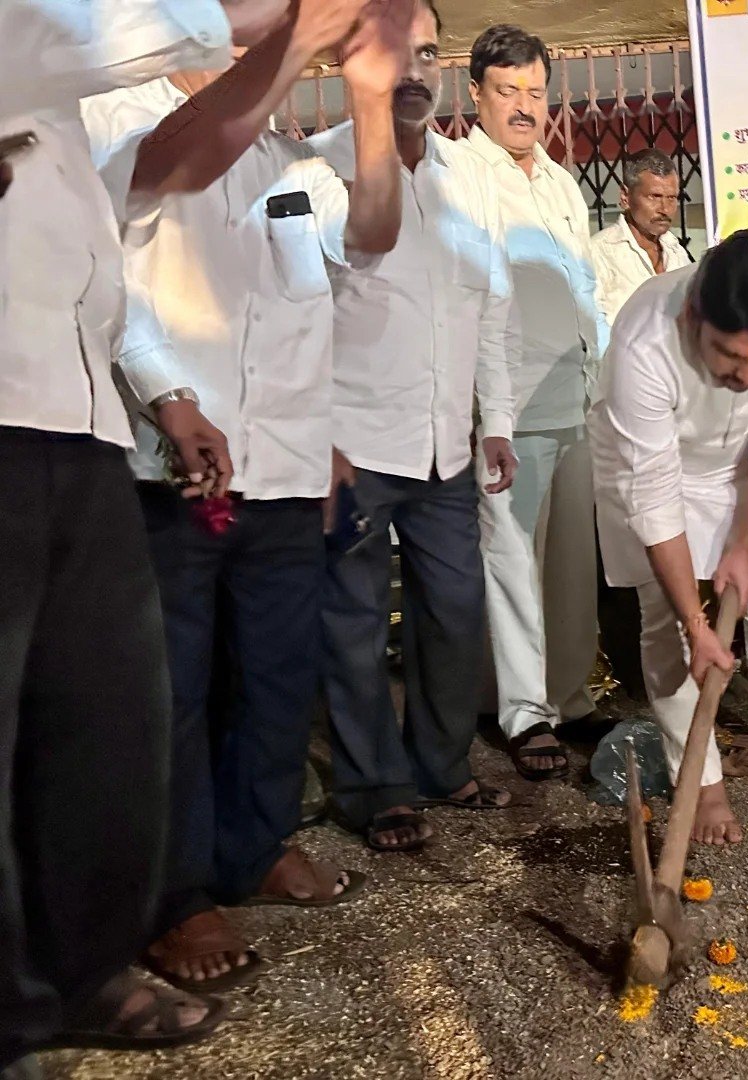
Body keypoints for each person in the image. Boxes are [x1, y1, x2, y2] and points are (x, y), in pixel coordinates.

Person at [82, 0, 408, 997]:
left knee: (274, 675)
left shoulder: (283, 151)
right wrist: (167, 395)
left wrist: (369, 95)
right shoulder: (115, 110)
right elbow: (114, 278)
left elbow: (373, 237)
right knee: (171, 692)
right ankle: (174, 894)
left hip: (286, 465)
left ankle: (252, 845)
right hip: (170, 459)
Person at [0, 0, 292, 1066]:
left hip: (77, 423)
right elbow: (133, 32)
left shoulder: (63, 82)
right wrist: (288, 15)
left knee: (104, 722)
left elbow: (147, 187)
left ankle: (80, 967)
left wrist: (161, 391)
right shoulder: (37, 28)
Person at [308, 0, 516, 856]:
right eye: (398, 53)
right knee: (354, 625)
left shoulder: (466, 180)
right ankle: (373, 785)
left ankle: (437, 760)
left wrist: (495, 421)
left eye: (428, 51)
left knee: (458, 611)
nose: (417, 70)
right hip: (354, 446)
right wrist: (315, 437)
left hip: (444, 449)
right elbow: (298, 312)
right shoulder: (316, 171)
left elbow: (489, 311)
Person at [589, 230, 748, 845]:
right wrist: (696, 626)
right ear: (695, 315)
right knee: (667, 628)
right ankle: (700, 782)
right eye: (729, 355)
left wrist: (743, 547)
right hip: (658, 464)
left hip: (743, 465)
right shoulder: (644, 340)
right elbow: (654, 493)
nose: (746, 376)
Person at [464, 24, 608, 780]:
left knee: (569, 564)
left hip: (576, 397)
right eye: (507, 91)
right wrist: (489, 414)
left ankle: (568, 697)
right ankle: (523, 714)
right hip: (509, 410)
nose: (523, 107)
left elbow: (586, 292)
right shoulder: (461, 174)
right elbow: (475, 300)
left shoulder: (556, 180)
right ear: (476, 95)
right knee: (511, 560)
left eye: (534, 92)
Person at [592, 148, 692, 321]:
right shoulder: (599, 253)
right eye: (654, 196)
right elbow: (591, 326)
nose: (665, 209)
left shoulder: (676, 251)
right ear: (625, 196)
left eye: (672, 198)